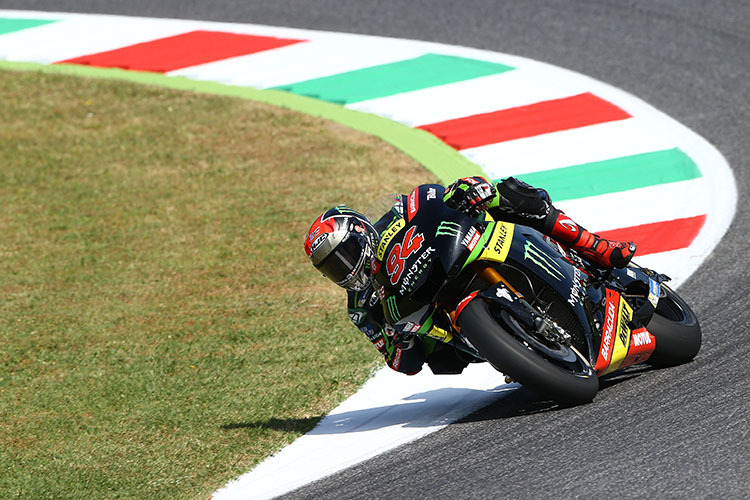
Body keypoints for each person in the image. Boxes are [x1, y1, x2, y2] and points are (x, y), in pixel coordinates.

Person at [303, 176, 636, 376]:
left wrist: (466, 188)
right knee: (441, 361)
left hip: (458, 254)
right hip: (446, 322)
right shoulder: (360, 307)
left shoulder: (395, 217)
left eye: (343, 257)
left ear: (361, 234)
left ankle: (598, 246)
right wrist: (400, 338)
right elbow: (403, 363)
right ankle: (521, 350)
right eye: (332, 268)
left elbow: (431, 196)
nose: (343, 271)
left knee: (504, 193)